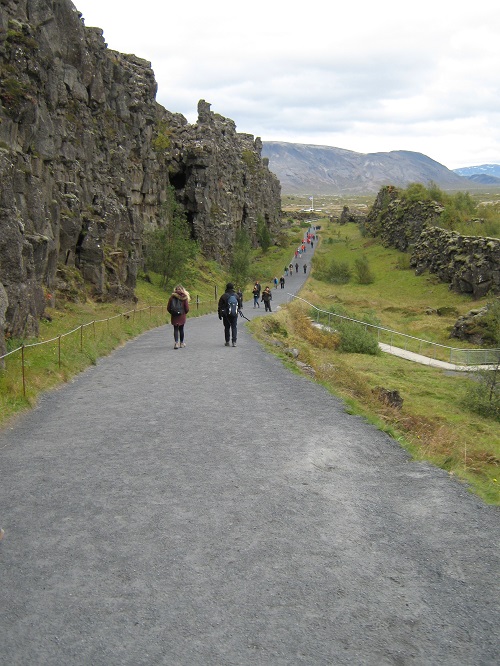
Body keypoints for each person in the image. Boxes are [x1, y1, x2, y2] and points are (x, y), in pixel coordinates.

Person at [218, 282, 242, 347]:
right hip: (234, 314)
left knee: (227, 327)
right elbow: (240, 305)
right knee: (234, 327)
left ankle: (227, 341)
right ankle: (234, 342)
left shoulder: (224, 296)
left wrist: (220, 315)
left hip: (226, 315)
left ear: (227, 287)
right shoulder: (236, 295)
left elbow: (220, 306)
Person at [167, 285, 190, 349]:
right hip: (182, 315)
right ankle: (182, 343)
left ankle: (176, 343)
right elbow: (187, 308)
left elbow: (168, 308)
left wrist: (172, 313)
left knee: (175, 329)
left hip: (174, 315)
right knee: (181, 329)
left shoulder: (172, 297)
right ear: (182, 290)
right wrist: (184, 313)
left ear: (175, 290)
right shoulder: (184, 297)